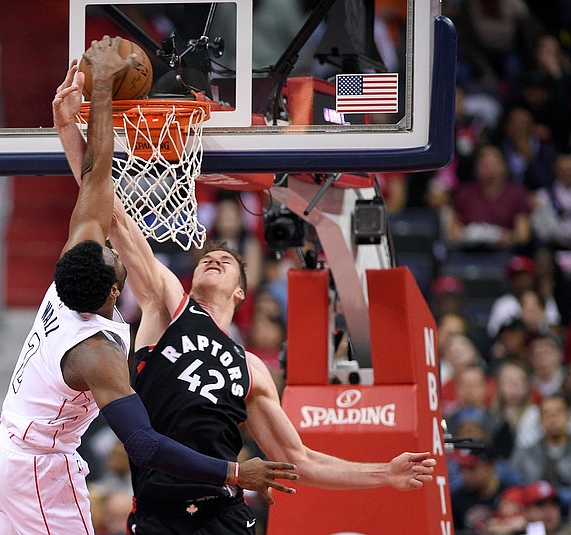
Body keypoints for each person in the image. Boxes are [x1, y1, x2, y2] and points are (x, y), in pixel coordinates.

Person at [54, 56, 438, 535]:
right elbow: (111, 217)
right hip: (160, 516)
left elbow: (297, 458)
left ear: (241, 290)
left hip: (224, 514)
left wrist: (384, 474)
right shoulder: (167, 307)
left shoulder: (251, 368)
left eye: (227, 260)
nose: (214, 258)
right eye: (207, 258)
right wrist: (72, 133)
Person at [0, 37, 297, 535]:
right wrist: (236, 471)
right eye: (113, 255)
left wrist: (92, 100)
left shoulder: (72, 273)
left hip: (6, 448)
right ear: (112, 292)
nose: (112, 245)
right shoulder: (97, 353)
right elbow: (144, 446)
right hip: (38, 465)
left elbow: (97, 179)